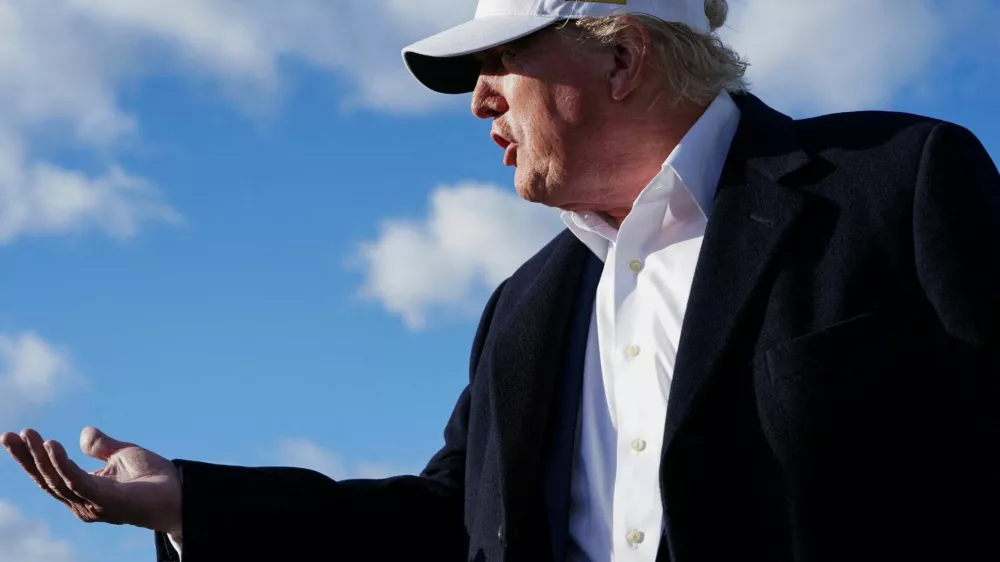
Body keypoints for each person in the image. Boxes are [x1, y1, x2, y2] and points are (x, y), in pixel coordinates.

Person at [4, 0, 999, 560]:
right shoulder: (522, 309)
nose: (477, 97)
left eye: (503, 57)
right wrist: (188, 501)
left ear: (624, 57)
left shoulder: (898, 184)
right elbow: (443, 527)